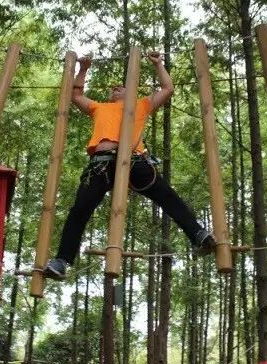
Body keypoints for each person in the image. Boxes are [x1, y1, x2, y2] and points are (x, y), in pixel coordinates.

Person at [44, 53, 216, 280]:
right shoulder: (99, 107)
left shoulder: (140, 105)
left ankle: (198, 234)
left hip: (135, 161)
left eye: (121, 87)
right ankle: (62, 261)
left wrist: (158, 64)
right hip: (101, 164)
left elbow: (167, 89)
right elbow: (76, 95)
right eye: (113, 88)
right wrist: (83, 69)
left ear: (132, 91)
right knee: (80, 209)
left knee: (167, 196)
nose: (115, 88)